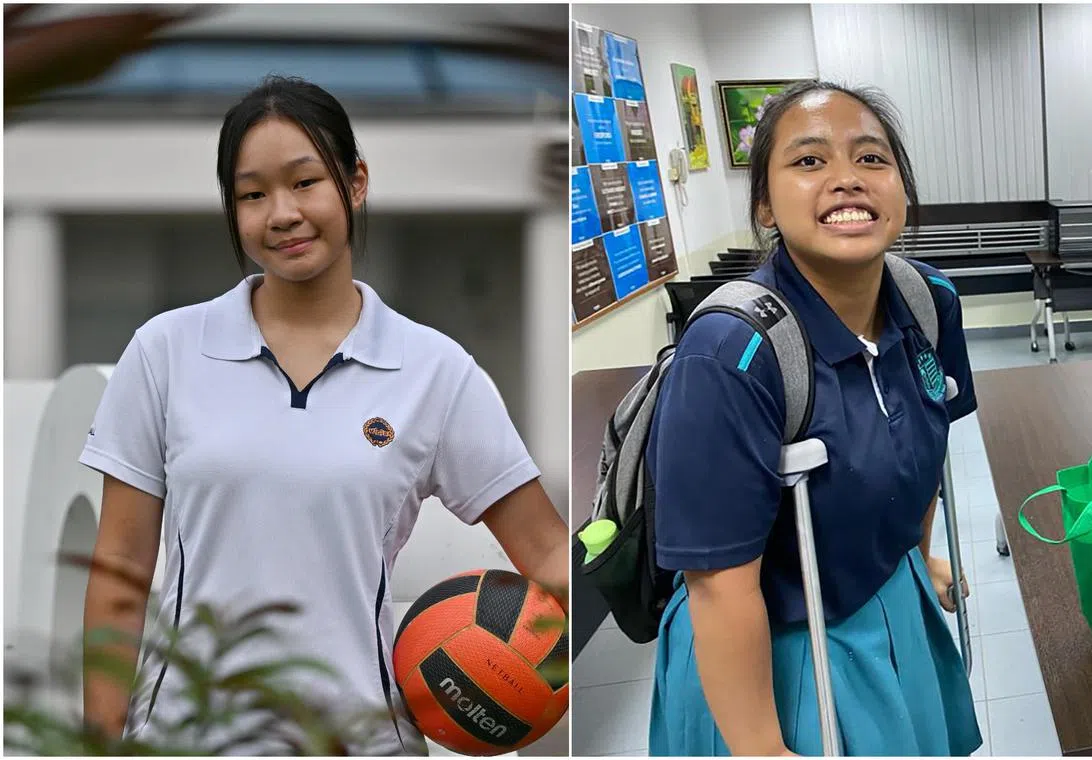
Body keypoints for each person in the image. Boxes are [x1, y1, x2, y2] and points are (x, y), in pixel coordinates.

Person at [79, 75, 568, 755]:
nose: (281, 213)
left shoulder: (433, 370)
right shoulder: (165, 352)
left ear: (355, 183)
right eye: (252, 194)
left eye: (305, 182)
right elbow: (120, 566)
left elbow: (545, 549)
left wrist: (542, 673)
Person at [647, 81, 983, 757]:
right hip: (772, 650)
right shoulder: (729, 353)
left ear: (901, 189)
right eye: (808, 162)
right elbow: (718, 589)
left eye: (871, 159)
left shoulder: (927, 300)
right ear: (765, 204)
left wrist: (918, 557)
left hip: (885, 600)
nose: (845, 181)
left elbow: (918, 449)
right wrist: (764, 750)